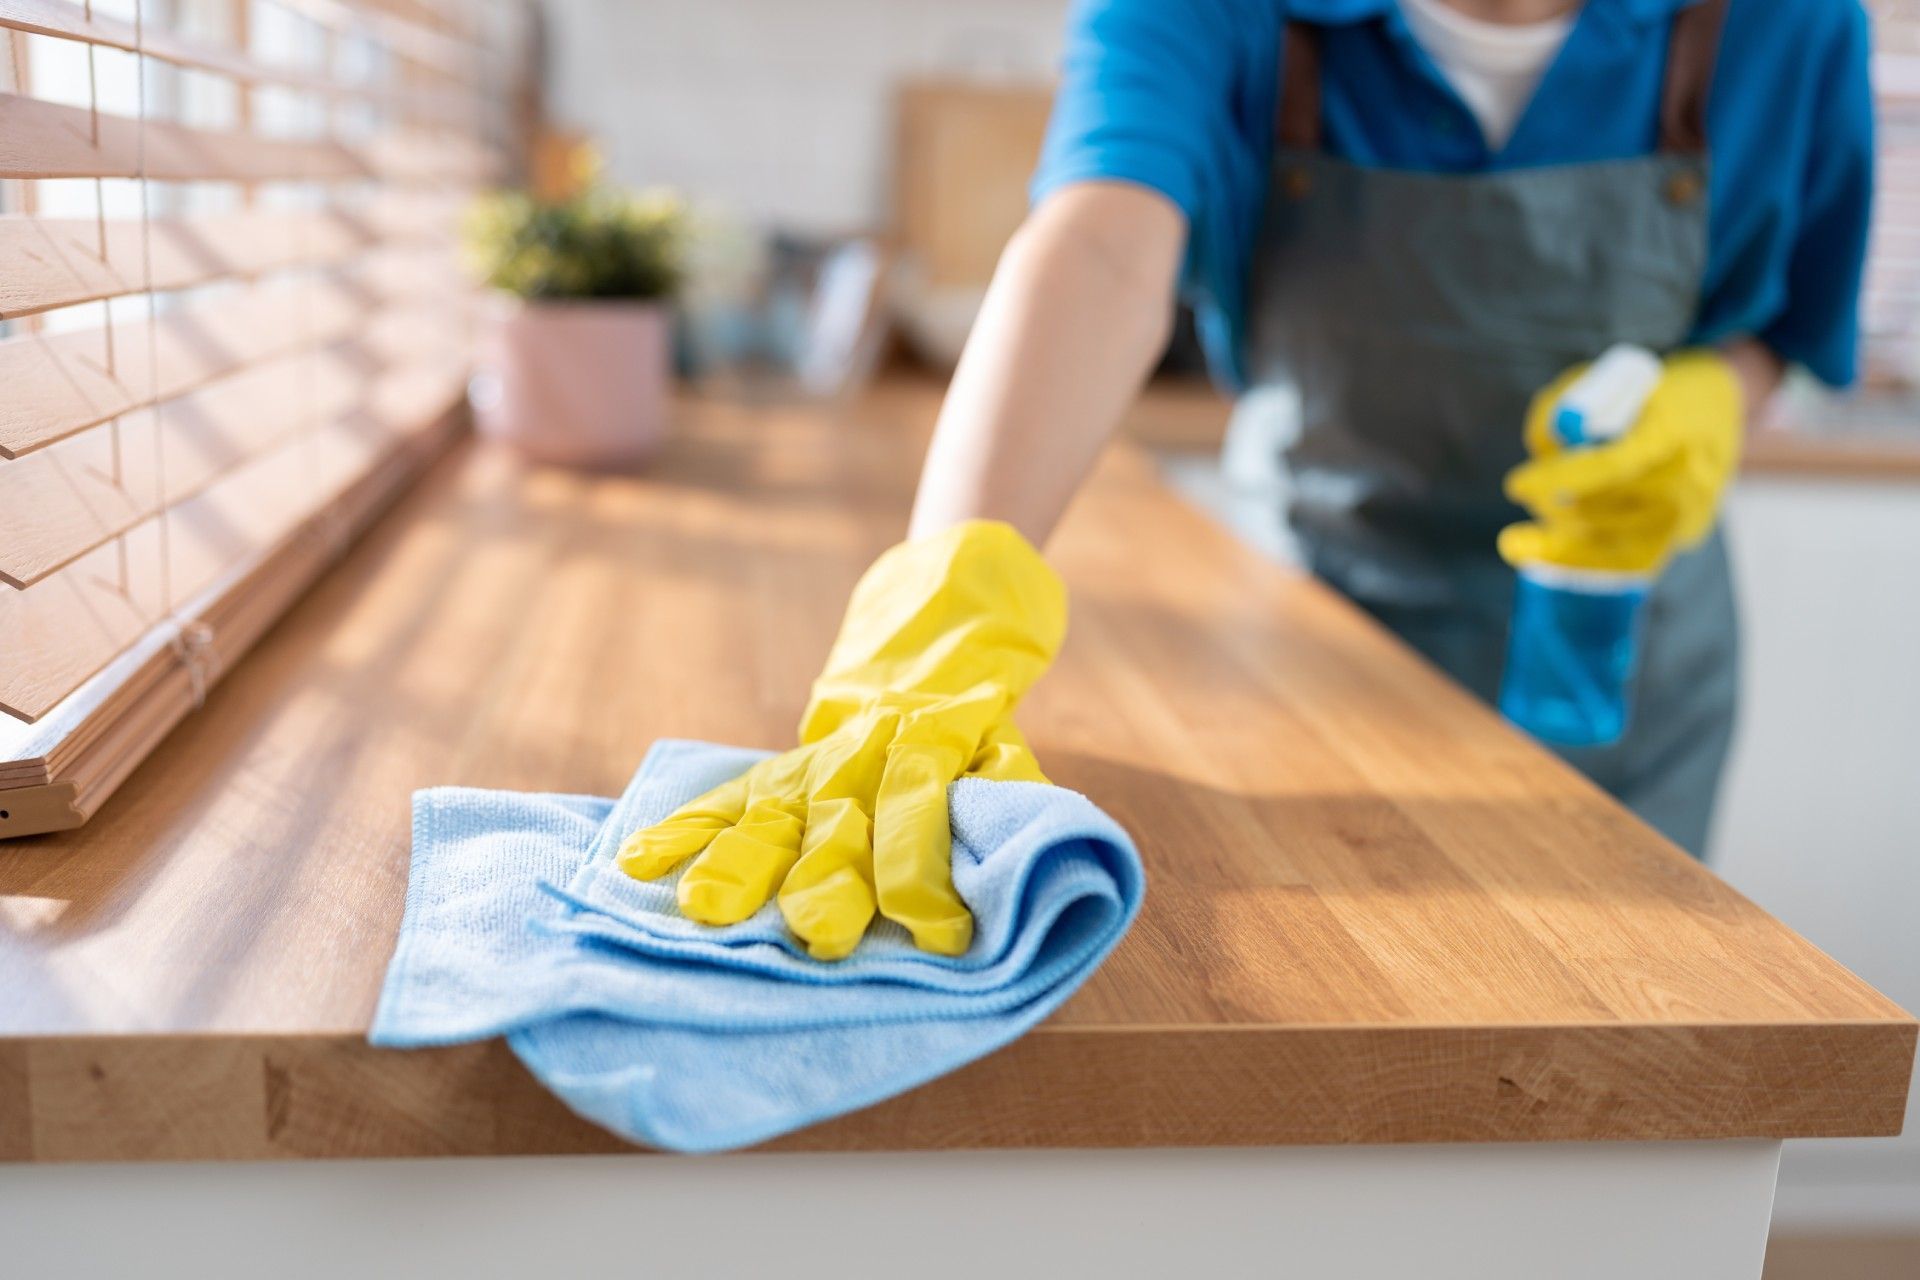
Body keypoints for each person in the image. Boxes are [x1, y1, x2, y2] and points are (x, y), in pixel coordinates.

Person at [622, 0, 1875, 958]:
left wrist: (1717, 397)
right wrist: (940, 596)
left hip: (1620, 668)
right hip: (1304, 645)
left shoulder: (1790, 21)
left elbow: (1788, 324)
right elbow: (1105, 243)